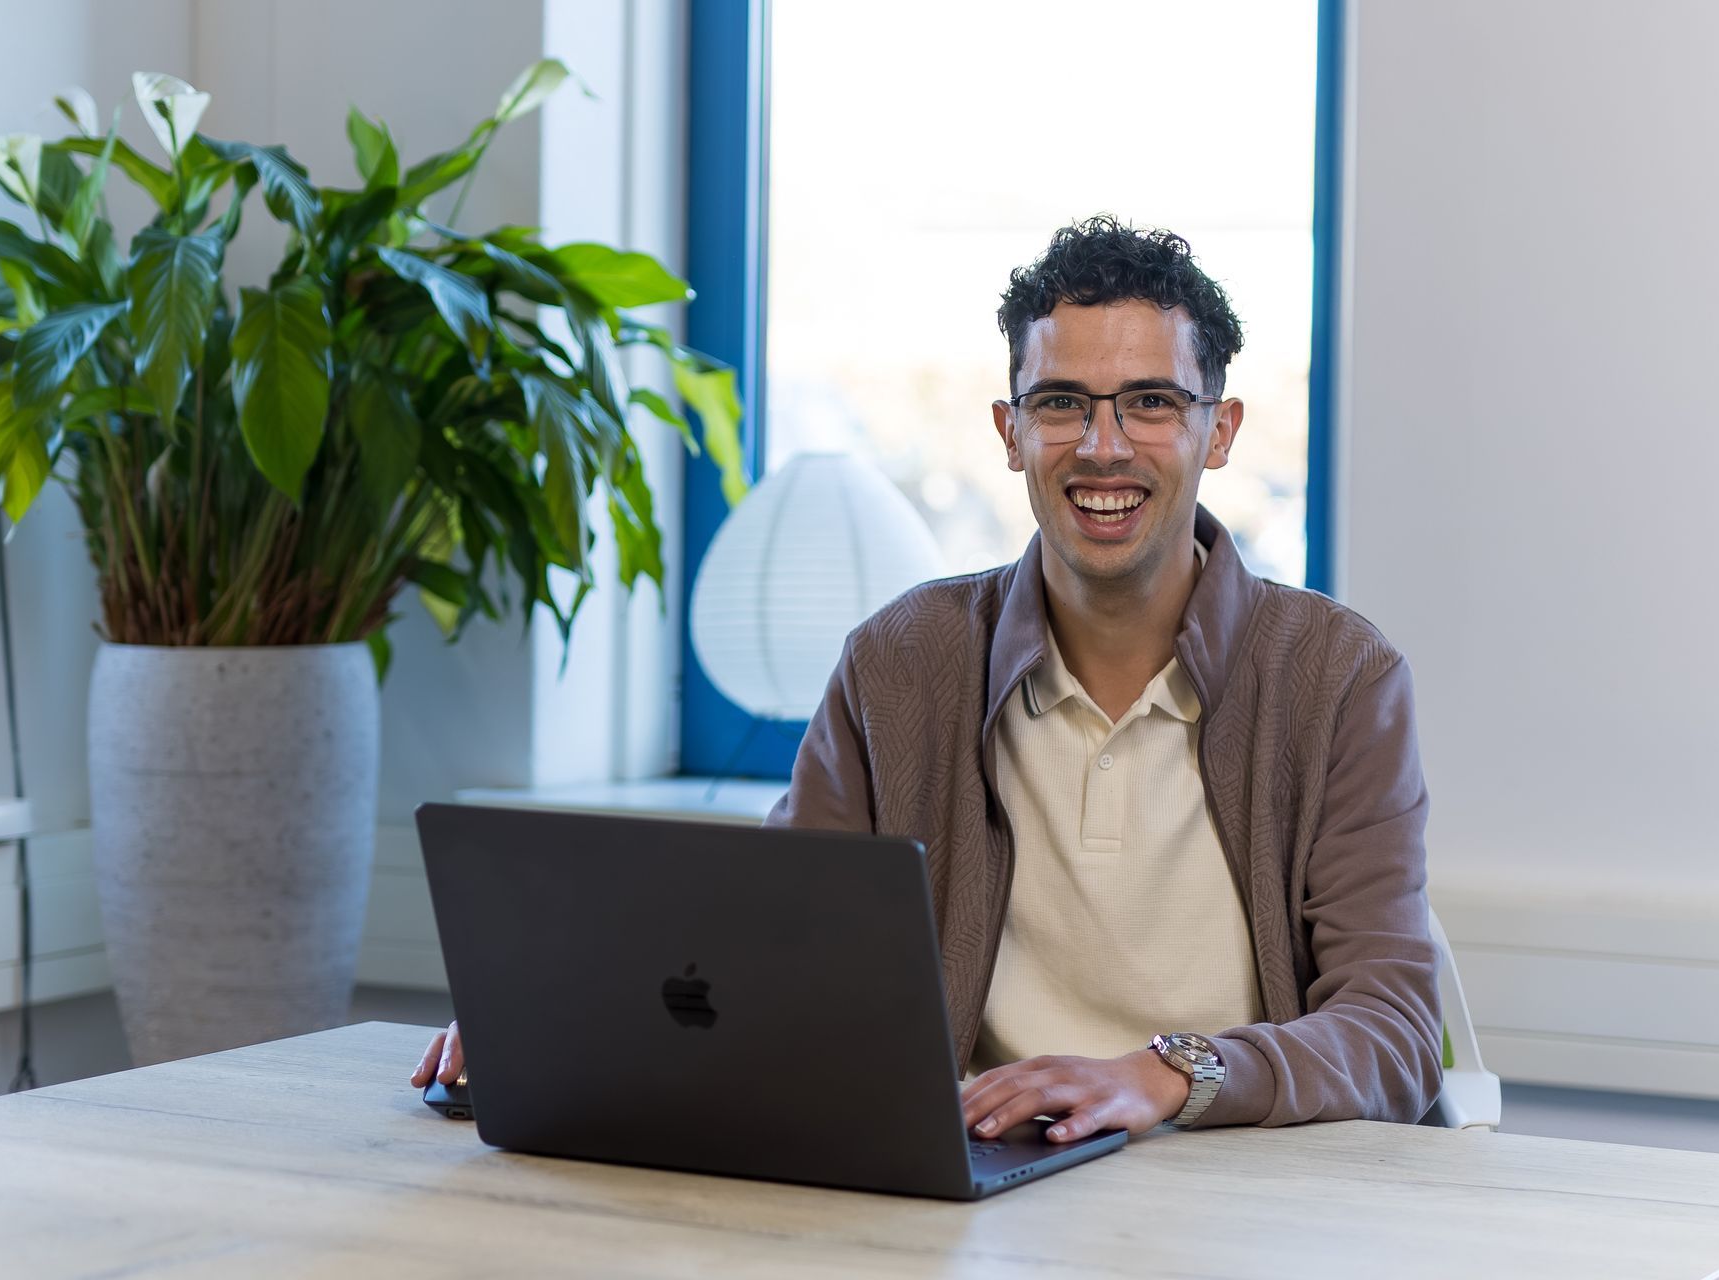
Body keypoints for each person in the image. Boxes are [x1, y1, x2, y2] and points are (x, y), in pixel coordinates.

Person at [413, 215, 1442, 1142]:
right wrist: (555, 1010)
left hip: (1245, 1195)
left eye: (1151, 403)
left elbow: (1393, 1030)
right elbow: (775, 946)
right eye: (1061, 403)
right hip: (978, 1187)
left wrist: (1164, 1072)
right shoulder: (900, 663)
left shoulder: (1338, 677)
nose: (1101, 445)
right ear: (1009, 432)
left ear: (1220, 432)